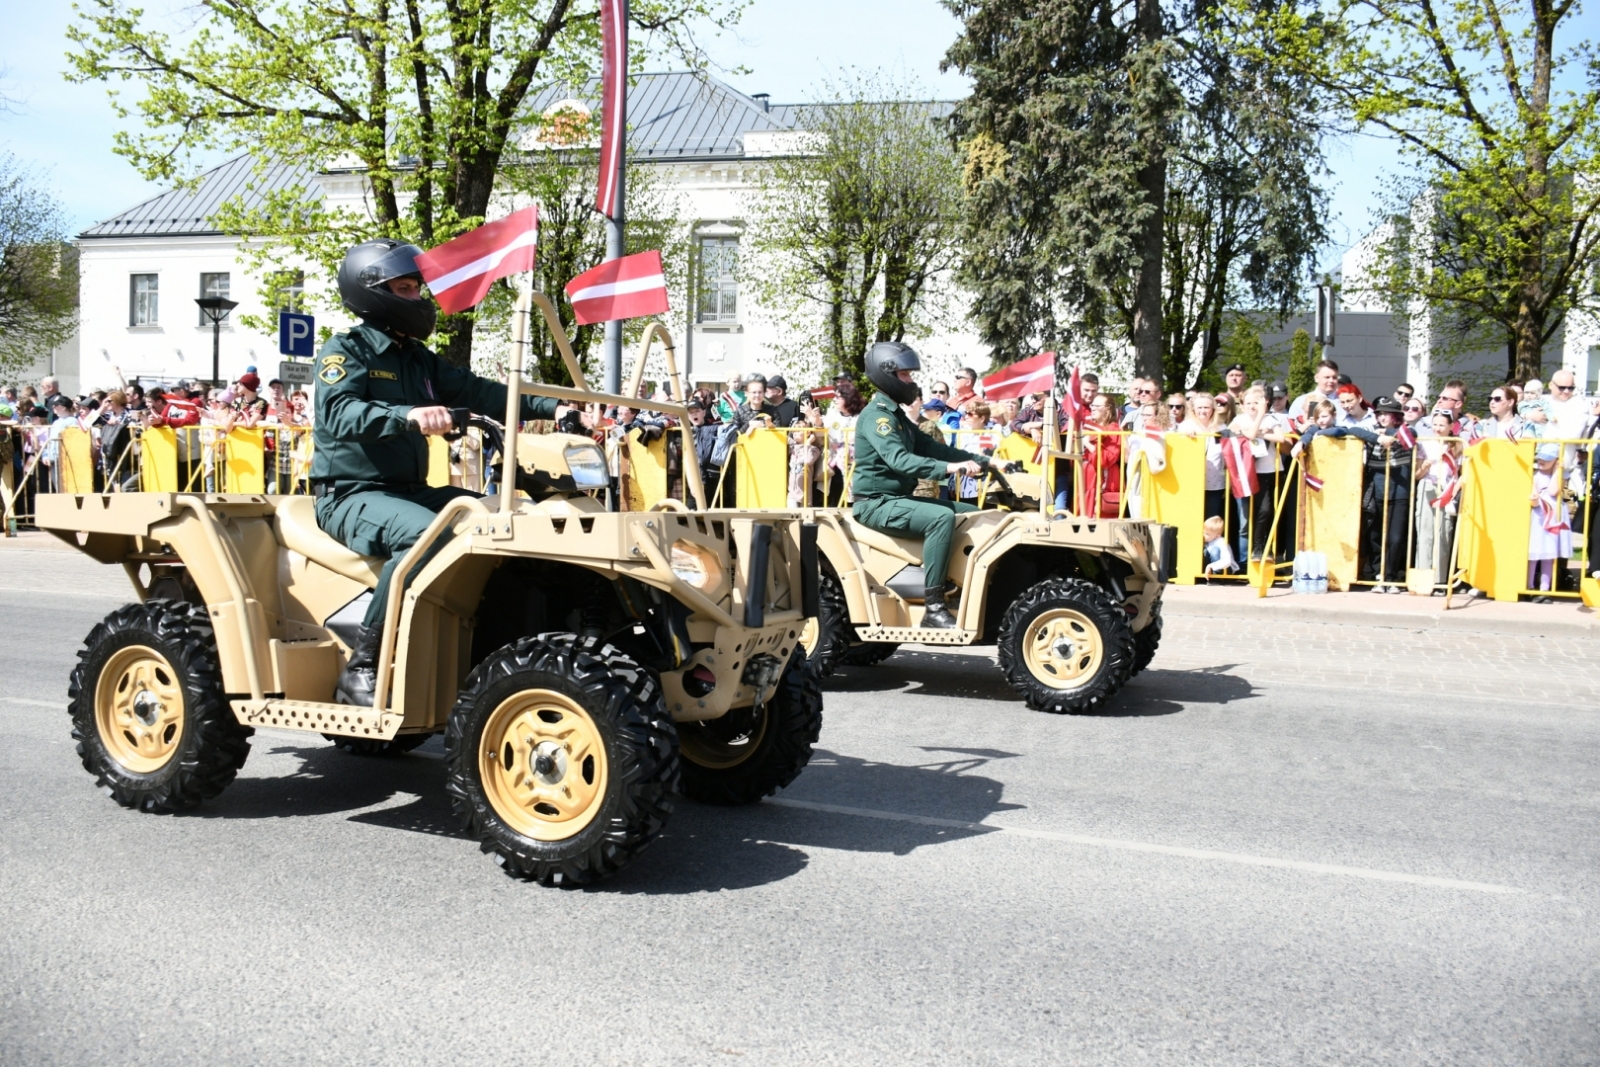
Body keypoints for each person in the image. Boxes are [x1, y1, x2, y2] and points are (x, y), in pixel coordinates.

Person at [311, 238, 567, 706]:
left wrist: (560, 406)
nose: (417, 299)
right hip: (349, 494)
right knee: (425, 535)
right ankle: (364, 665)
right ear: (373, 292)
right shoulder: (346, 351)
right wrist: (406, 416)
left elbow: (479, 390)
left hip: (408, 489)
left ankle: (488, 655)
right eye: (406, 289)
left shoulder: (417, 358)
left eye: (416, 289)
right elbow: (339, 414)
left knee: (501, 524)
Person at [850, 342, 990, 628]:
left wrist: (984, 461)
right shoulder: (878, 416)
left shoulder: (897, 416)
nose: (911, 380)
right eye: (905, 375)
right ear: (886, 374)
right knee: (941, 517)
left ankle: (959, 584)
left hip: (897, 499)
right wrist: (951, 469)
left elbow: (933, 447)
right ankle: (934, 606)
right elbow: (900, 461)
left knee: (972, 514)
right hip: (876, 503)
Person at [1528, 443, 1571, 601]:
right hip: (1539, 516)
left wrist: (1558, 469)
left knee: (1549, 554)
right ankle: (1529, 587)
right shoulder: (1534, 474)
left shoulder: (1561, 474)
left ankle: (1544, 589)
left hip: (1553, 516)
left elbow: (1553, 490)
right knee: (1533, 553)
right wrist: (1534, 501)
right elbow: (1534, 499)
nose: (1541, 461)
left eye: (1547, 459)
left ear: (1556, 460)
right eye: (1540, 458)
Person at [1080, 393, 1123, 518]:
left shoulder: (1113, 429)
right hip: (1086, 478)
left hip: (1103, 479)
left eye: (1097, 406)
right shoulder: (1089, 427)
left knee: (1100, 516)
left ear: (1107, 409)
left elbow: (1106, 459)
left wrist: (1087, 443)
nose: (1092, 408)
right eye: (1092, 405)